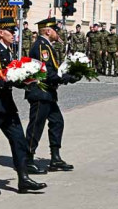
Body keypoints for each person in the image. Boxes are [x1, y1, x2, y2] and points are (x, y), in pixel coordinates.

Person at [0, 17, 48, 196]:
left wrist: (26, 81)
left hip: (7, 105)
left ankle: (23, 180)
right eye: (11, 31)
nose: (15, 34)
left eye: (15, 31)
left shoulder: (8, 51)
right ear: (1, 33)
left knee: (19, 141)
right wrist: (7, 80)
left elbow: (12, 75)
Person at [25, 17, 80, 174]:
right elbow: (46, 72)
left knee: (57, 122)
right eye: (55, 30)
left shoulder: (46, 46)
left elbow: (53, 70)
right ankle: (27, 159)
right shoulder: (42, 47)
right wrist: (66, 78)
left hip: (47, 92)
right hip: (40, 91)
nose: (58, 33)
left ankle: (55, 158)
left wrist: (69, 74)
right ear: (48, 31)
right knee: (36, 126)